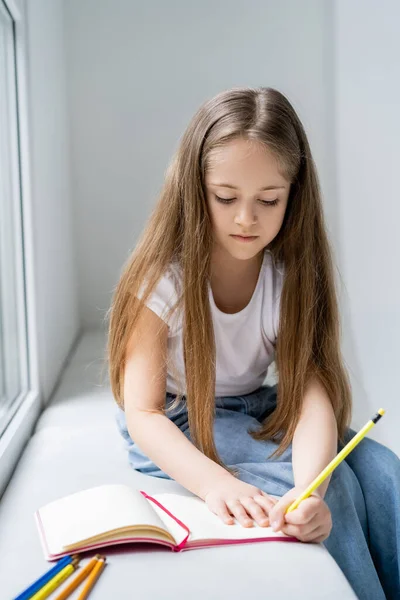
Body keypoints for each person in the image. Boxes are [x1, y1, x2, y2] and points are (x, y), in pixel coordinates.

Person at [105, 86, 400, 599]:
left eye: (269, 200)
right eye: (226, 198)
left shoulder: (286, 276)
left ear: (293, 195)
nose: (247, 218)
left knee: (383, 472)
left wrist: (313, 486)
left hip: (254, 405)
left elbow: (309, 392)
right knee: (344, 496)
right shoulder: (162, 282)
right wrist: (216, 485)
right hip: (176, 416)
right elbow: (143, 414)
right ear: (193, 190)